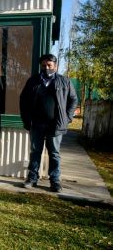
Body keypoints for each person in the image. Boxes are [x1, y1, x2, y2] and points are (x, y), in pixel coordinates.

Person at [20, 54, 77, 192]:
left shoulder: (65, 81)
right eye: (44, 65)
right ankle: (32, 178)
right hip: (37, 124)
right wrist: (26, 119)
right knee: (35, 152)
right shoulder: (33, 81)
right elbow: (23, 100)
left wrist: (67, 118)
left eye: (49, 65)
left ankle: (55, 181)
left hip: (55, 125)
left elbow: (73, 100)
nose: (46, 68)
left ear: (55, 66)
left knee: (54, 153)